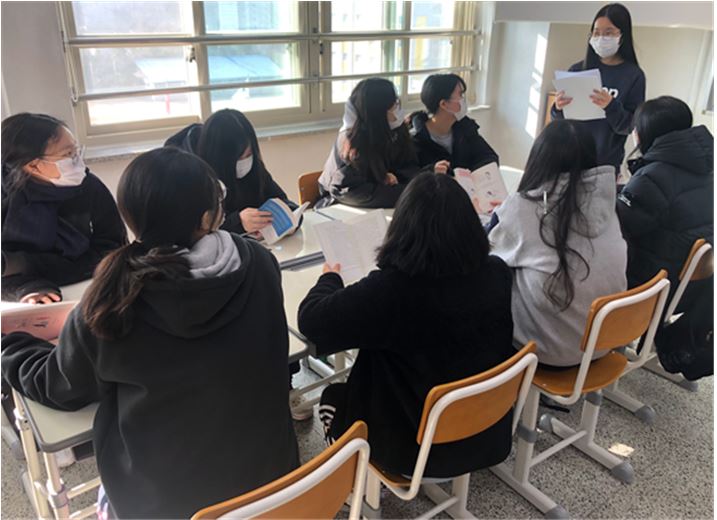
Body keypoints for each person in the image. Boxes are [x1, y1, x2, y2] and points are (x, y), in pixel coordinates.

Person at [1, 147, 300, 518]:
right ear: (208, 216)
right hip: (276, 486)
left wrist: (12, 344)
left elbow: (59, 386)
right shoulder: (258, 262)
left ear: (131, 217)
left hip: (167, 505)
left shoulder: (114, 298)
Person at [299, 172, 515, 477]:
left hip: (411, 451)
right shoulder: (497, 273)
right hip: (486, 435)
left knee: (333, 397)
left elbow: (311, 321)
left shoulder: (393, 291)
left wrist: (329, 278)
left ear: (402, 228)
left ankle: (353, 479)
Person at [489, 120, 627, 367]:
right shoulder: (605, 202)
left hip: (548, 351)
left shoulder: (523, 206)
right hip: (602, 342)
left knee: (489, 276)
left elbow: (487, 250)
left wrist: (498, 217)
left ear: (539, 158)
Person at [616, 96, 713, 380]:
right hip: (687, 288)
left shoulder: (655, 175)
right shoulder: (705, 169)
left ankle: (594, 351)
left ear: (646, 133)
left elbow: (618, 226)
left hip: (651, 287)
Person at [1, 113, 126, 302]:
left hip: (89, 285)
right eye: (68, 154)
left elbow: (113, 247)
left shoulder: (88, 186)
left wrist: (24, 264)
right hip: (31, 297)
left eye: (76, 150)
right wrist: (26, 289)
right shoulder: (7, 199)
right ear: (34, 166)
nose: (77, 160)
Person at [165, 108, 300, 235]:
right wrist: (238, 222)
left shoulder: (253, 167)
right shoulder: (190, 176)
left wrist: (290, 219)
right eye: (238, 157)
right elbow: (195, 229)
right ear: (220, 157)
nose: (245, 161)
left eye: (249, 154)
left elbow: (281, 200)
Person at [551, 3, 645, 175]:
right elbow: (560, 122)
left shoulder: (633, 76)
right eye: (596, 32)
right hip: (569, 158)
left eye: (608, 32)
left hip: (604, 164)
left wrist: (610, 106)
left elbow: (629, 126)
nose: (601, 38)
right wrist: (557, 108)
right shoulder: (577, 70)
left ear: (622, 35)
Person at [318, 78, 433, 208]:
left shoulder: (396, 130)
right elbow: (349, 190)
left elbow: (407, 166)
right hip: (341, 207)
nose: (398, 108)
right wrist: (408, 193)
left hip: (382, 201)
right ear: (378, 111)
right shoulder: (351, 142)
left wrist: (427, 175)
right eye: (394, 104)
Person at [410, 73, 499, 175]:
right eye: (460, 95)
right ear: (444, 104)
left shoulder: (465, 128)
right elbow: (410, 175)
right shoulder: (415, 139)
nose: (464, 100)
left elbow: (489, 157)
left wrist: (472, 175)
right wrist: (431, 171)